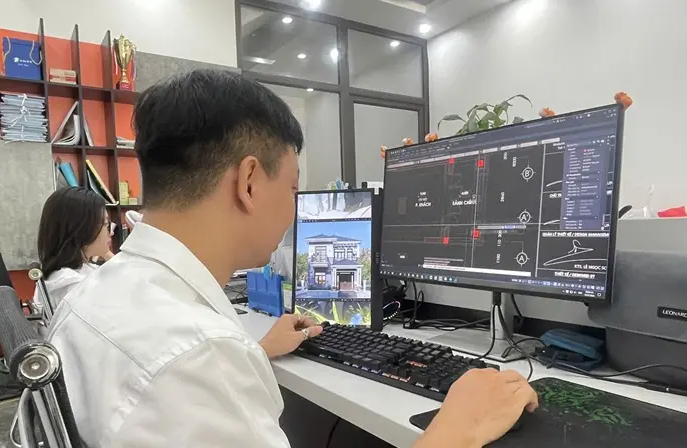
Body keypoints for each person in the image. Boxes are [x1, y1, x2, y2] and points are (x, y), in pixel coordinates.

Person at [47, 70, 538, 448]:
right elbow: (185, 371)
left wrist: (255, 351)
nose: (294, 209)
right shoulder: (197, 356)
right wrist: (460, 427)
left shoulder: (93, 295)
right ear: (249, 182)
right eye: (292, 187)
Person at [35, 187, 114, 310]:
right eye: (106, 225)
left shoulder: (77, 271)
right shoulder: (73, 285)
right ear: (82, 230)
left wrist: (107, 254)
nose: (111, 233)